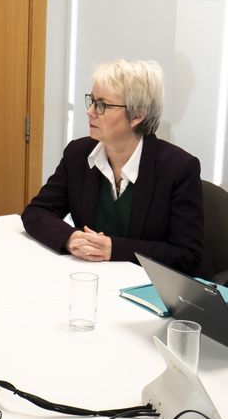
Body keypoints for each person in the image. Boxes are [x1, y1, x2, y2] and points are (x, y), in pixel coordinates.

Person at [22, 59, 210, 276]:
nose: (90, 111)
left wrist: (114, 249)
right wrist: (70, 238)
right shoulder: (78, 154)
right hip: (96, 280)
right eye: (91, 101)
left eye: (102, 105)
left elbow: (187, 255)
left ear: (137, 115)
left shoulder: (179, 169)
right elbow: (36, 212)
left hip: (152, 291)